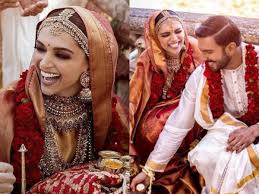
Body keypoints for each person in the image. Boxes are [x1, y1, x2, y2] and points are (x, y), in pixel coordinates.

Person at [0, 6, 128, 193]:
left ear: (92, 65)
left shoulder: (106, 111)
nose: (43, 63)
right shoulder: (6, 106)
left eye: (61, 55)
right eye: (40, 49)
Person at [131, 15, 259, 194]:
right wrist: (149, 171)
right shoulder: (202, 76)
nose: (203, 58)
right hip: (228, 133)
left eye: (209, 52)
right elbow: (178, 124)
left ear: (230, 48)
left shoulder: (257, 61)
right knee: (206, 154)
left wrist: (254, 130)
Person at [129, 10, 205, 194]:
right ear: (155, 37)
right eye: (165, 34)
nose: (174, 39)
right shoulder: (147, 59)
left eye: (178, 31)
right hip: (157, 122)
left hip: (194, 114)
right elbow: (132, 101)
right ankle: (159, 165)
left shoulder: (196, 49)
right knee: (157, 125)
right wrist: (128, 148)